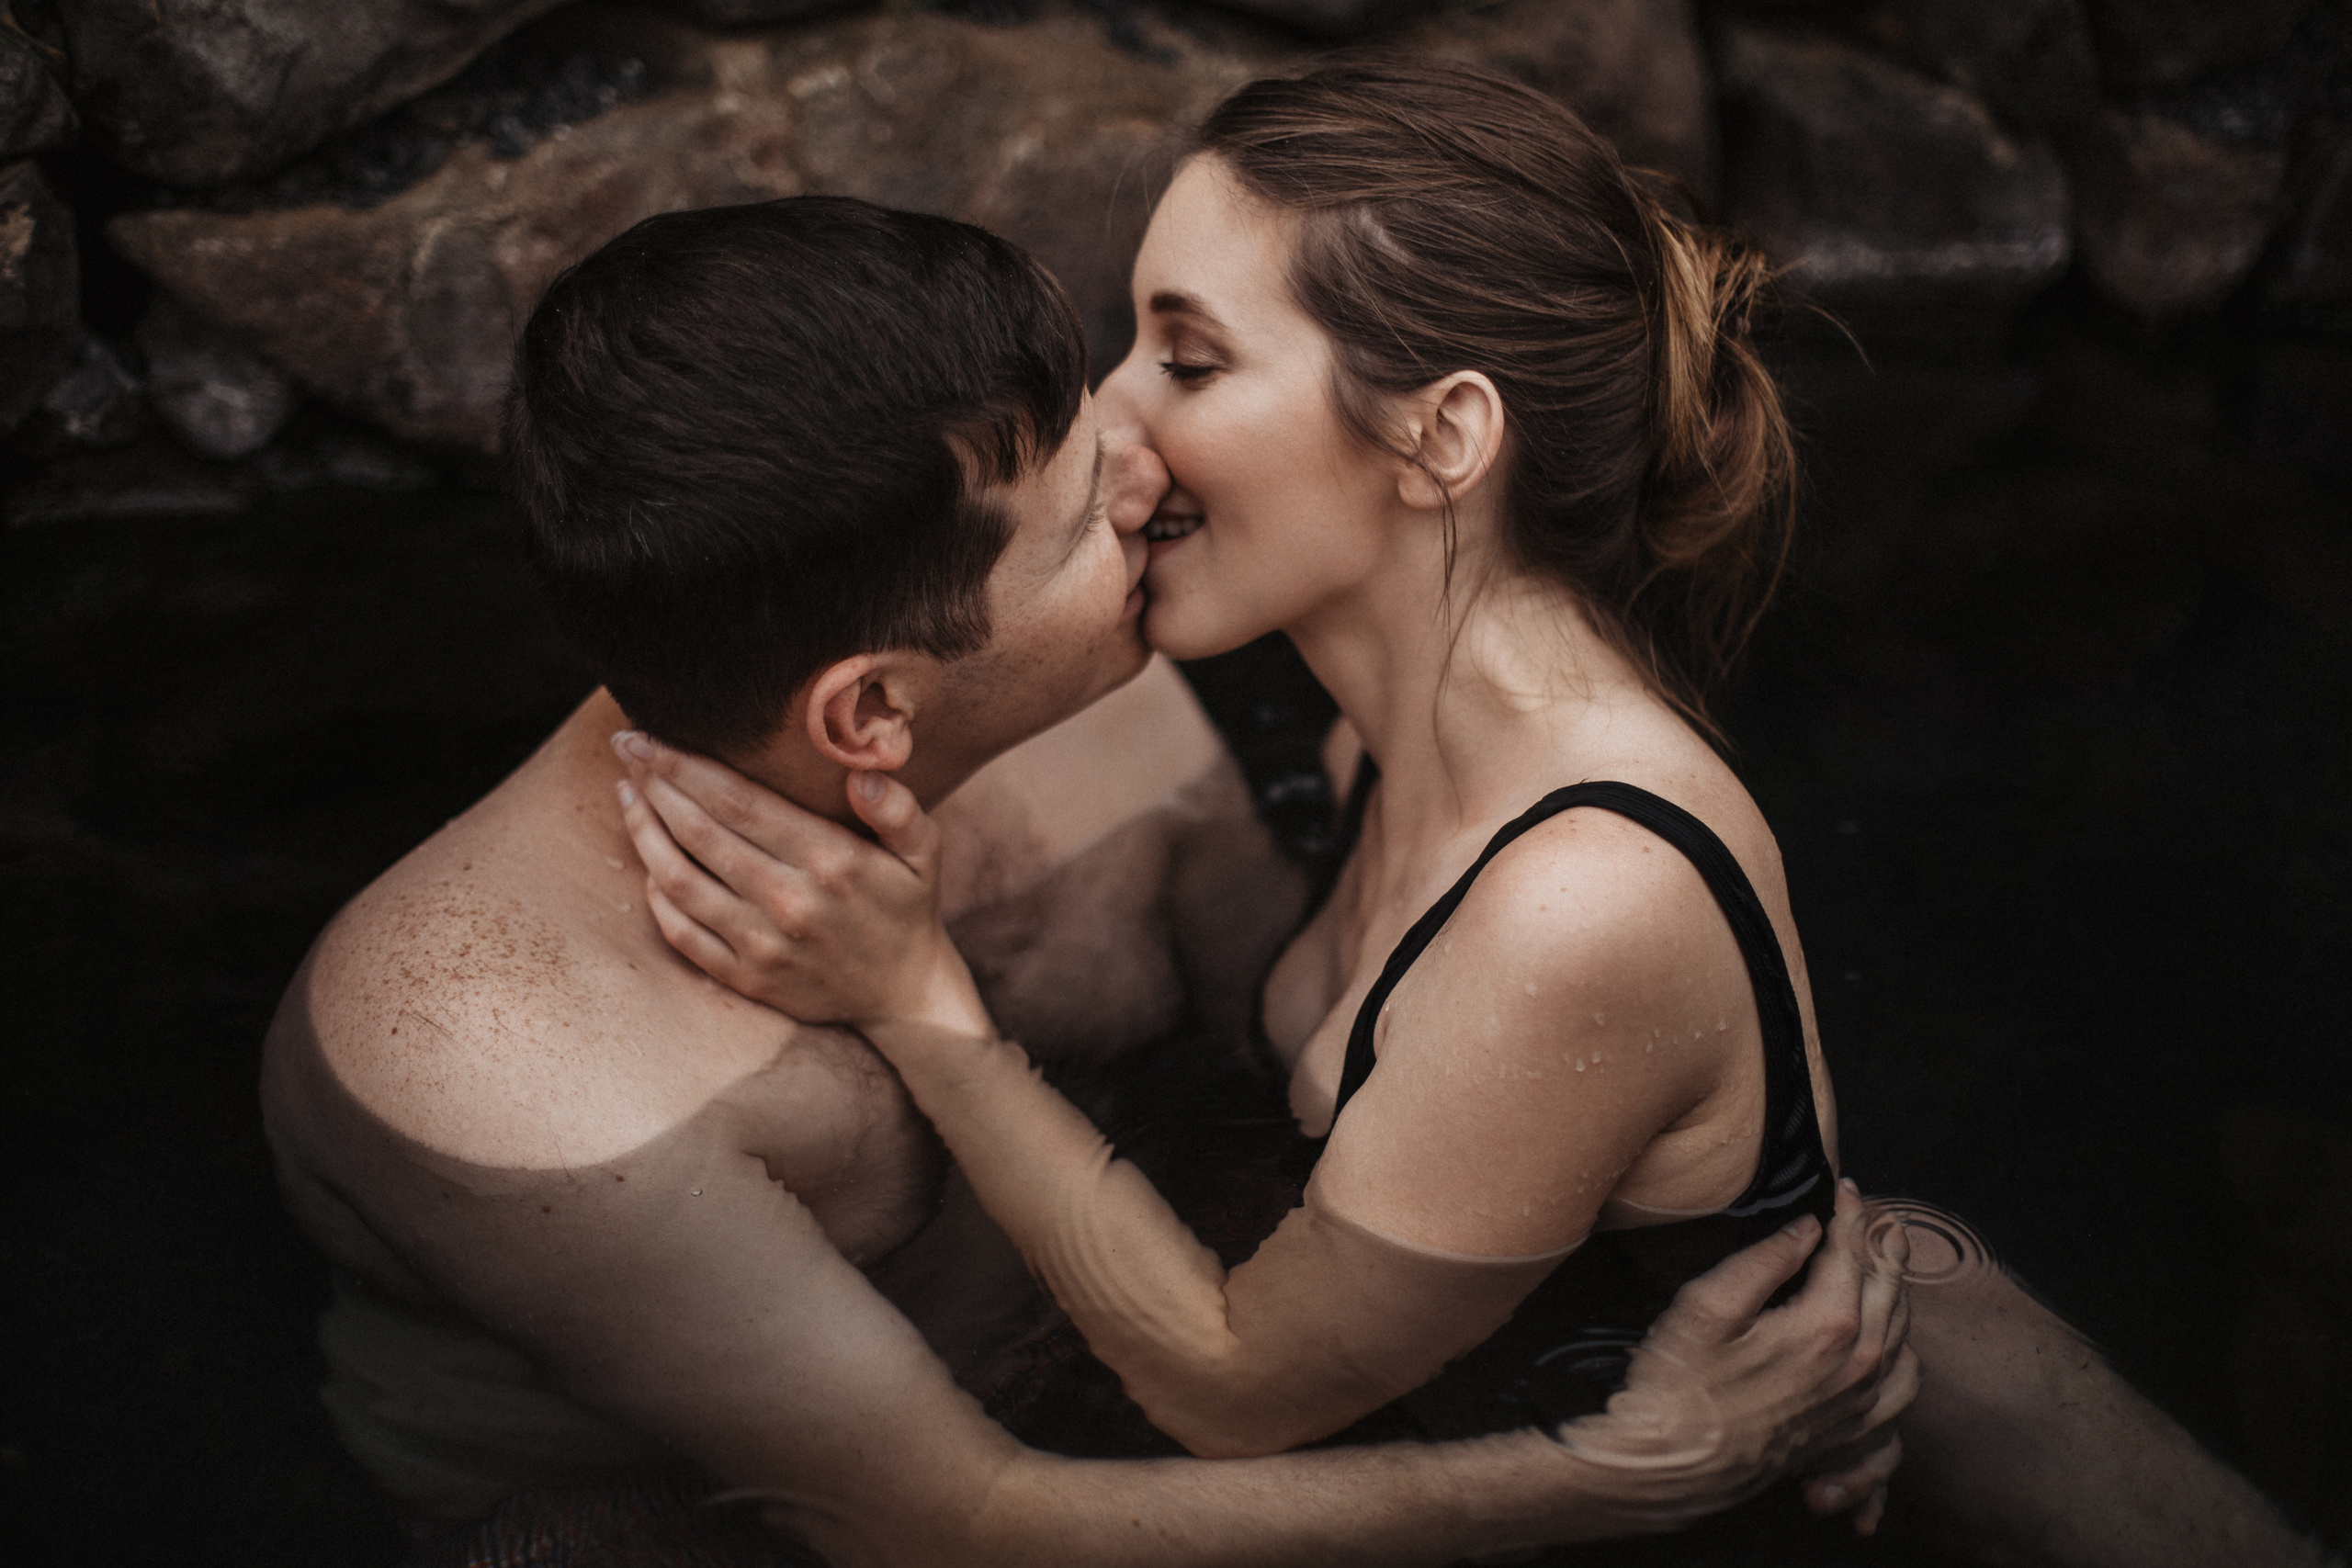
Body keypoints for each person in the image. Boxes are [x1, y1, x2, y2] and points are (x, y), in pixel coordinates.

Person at [616, 61, 2329, 1567]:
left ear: (1439, 437)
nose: (1108, 421)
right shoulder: (1400, 737)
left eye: (1187, 359)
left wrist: (920, 1003)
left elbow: (1231, 1383)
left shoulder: (1577, 896)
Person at [259, 194, 1916, 1568]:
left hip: (1141, 1313)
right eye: (1076, 517)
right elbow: (953, 1520)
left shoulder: (1073, 672)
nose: (1146, 471)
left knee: (1896, 1287)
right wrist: (1626, 1466)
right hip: (710, 1513)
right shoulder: (490, 1053)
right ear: (874, 709)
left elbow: (1308, 1059)